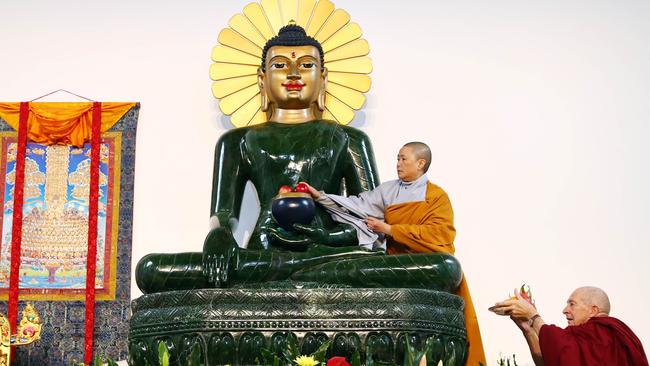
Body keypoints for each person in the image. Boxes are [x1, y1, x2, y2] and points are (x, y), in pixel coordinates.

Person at [135, 25, 463, 295]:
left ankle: (298, 274)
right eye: (280, 65)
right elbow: (224, 214)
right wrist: (219, 237)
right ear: (262, 78)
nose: (293, 73)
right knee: (151, 270)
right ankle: (302, 275)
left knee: (445, 269)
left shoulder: (349, 139)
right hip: (261, 254)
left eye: (306, 65)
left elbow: (368, 219)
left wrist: (326, 240)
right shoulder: (237, 141)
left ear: (324, 77)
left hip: (332, 253)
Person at [302, 141, 485, 366]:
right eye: (397, 158)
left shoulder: (436, 196)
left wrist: (391, 230)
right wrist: (319, 197)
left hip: (426, 262)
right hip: (395, 262)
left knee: (448, 265)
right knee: (367, 262)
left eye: (403, 159)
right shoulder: (388, 190)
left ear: (421, 163)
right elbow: (356, 205)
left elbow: (441, 237)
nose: (398, 163)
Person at [490, 286, 649, 366]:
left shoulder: (607, 333)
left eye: (572, 304)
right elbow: (551, 361)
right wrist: (527, 329)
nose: (565, 310)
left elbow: (564, 350)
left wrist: (534, 316)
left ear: (593, 310)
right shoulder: (585, 339)